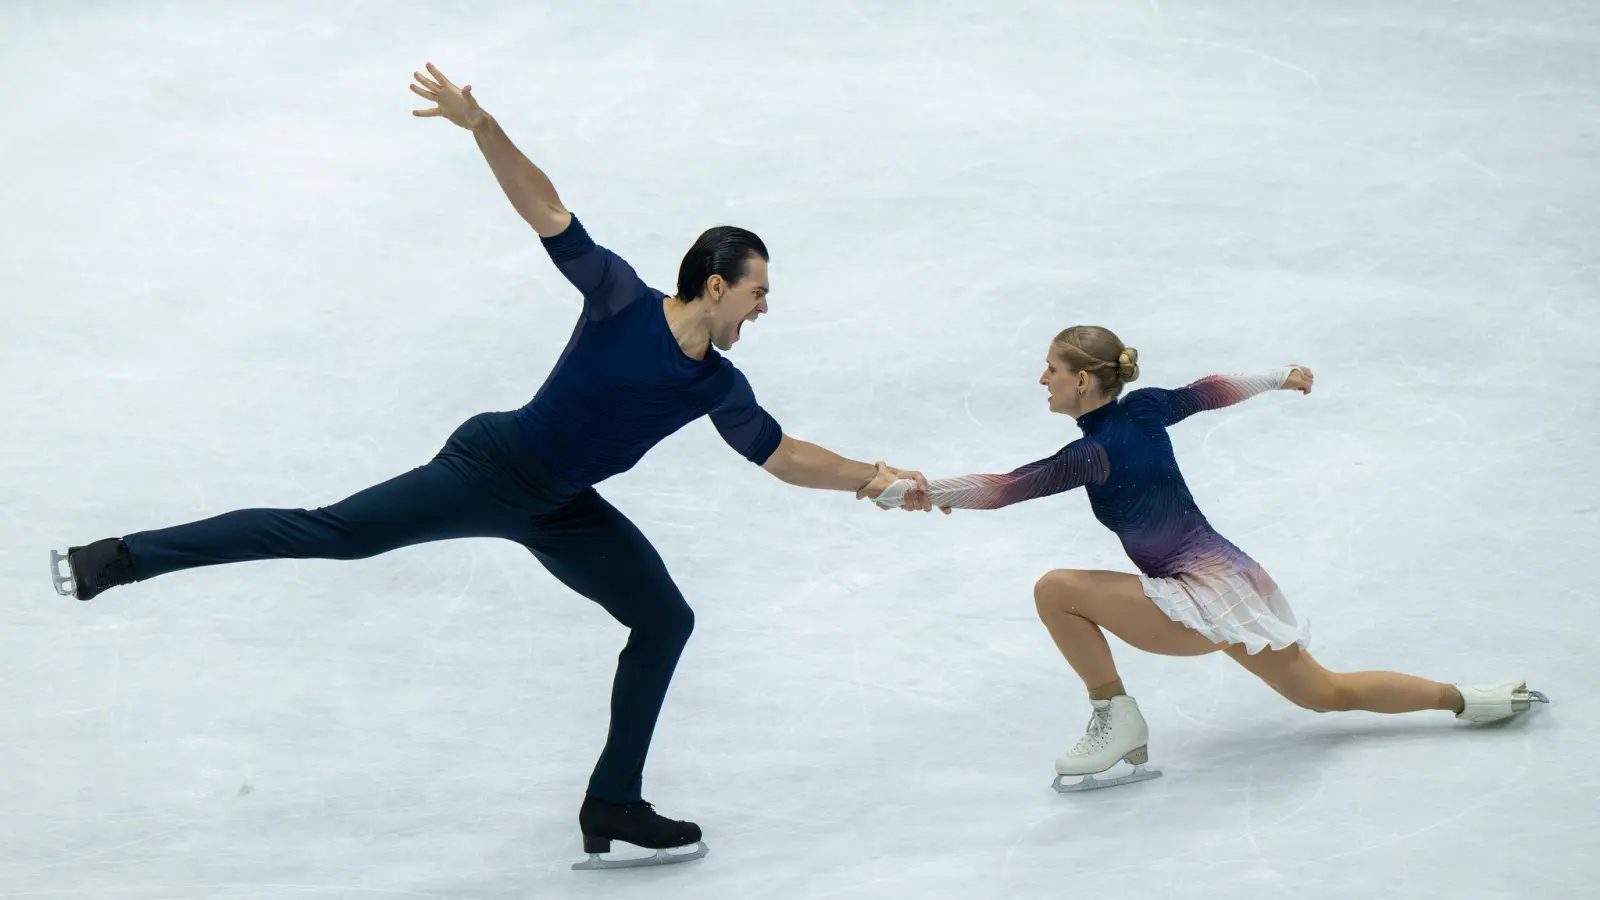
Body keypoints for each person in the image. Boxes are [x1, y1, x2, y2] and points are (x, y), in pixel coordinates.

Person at [49, 63, 925, 868]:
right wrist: (482, 125)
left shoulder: (716, 384)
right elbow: (548, 211)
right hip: (491, 467)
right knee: (336, 535)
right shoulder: (619, 295)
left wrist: (874, 476)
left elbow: (781, 455)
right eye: (759, 290)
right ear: (714, 284)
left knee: (665, 620)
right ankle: (122, 558)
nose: (766, 307)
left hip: (564, 506)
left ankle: (613, 802)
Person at [862, 325, 1548, 791]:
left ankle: (1116, 716)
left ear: (1083, 383)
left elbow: (1011, 487)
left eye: (1053, 368)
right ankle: (1471, 700)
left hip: (1192, 596)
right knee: (1325, 692)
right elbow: (1210, 389)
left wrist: (922, 491)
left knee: (1055, 589)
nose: (1042, 377)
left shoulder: (1092, 450)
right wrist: (1280, 375)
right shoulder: (1147, 409)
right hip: (1235, 580)